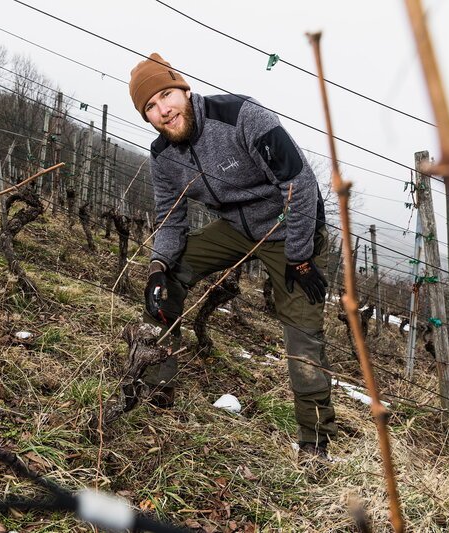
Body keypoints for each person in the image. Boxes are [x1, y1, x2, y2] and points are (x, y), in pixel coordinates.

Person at [128, 53, 337, 460]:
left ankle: (314, 442)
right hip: (235, 230)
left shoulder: (242, 116)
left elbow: (300, 184)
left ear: (184, 89)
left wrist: (300, 256)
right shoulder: (163, 156)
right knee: (165, 282)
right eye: (150, 107)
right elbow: (170, 219)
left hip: (291, 230)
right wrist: (157, 267)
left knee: (302, 332)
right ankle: (155, 388)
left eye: (166, 95)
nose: (163, 111)